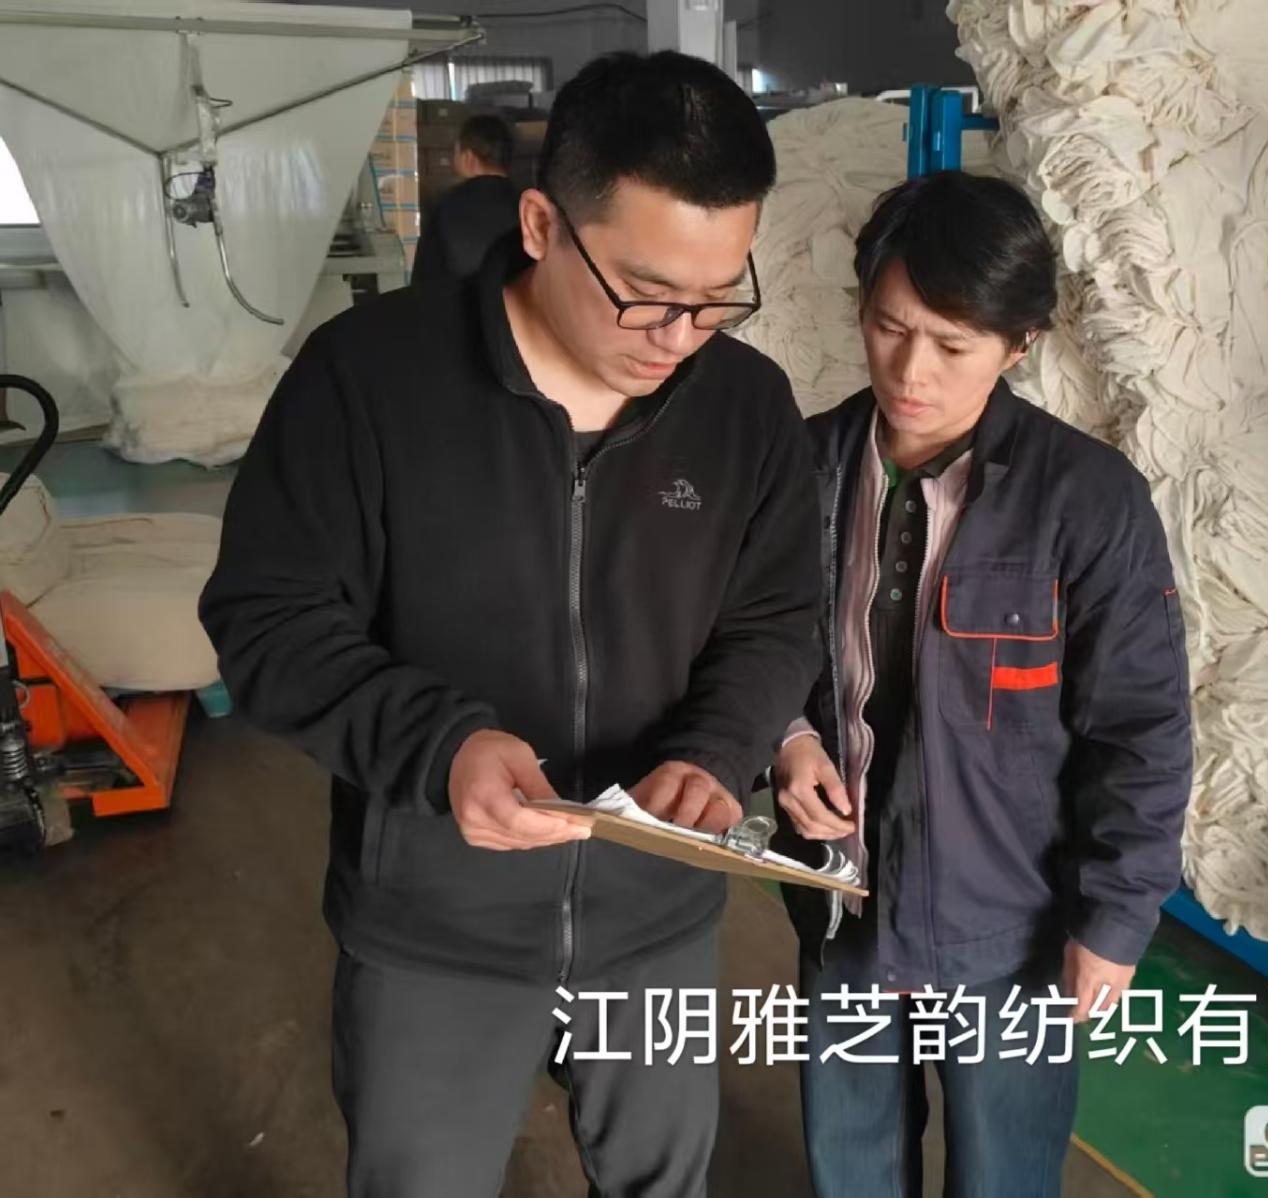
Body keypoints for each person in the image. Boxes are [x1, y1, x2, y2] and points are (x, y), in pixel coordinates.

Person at [200, 51, 821, 1198]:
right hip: (436, 926)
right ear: (540, 224)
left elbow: (777, 613)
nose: (678, 335)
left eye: (715, 297)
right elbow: (268, 617)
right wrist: (442, 746)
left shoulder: (744, 407)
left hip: (656, 923)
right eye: (645, 292)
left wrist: (718, 747)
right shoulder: (369, 381)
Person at [770, 171, 1193, 1197]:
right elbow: (751, 642)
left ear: (1019, 344)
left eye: (952, 345)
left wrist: (1113, 919)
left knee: (1003, 1173)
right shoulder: (801, 469)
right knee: (850, 1165)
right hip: (841, 904)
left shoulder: (1086, 502)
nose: (910, 370)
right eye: (888, 327)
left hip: (1009, 930)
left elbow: (1140, 729)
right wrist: (785, 739)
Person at [409, 112, 520, 286]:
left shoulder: (445, 208)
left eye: (456, 151)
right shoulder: (527, 206)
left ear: (468, 158)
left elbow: (424, 280)